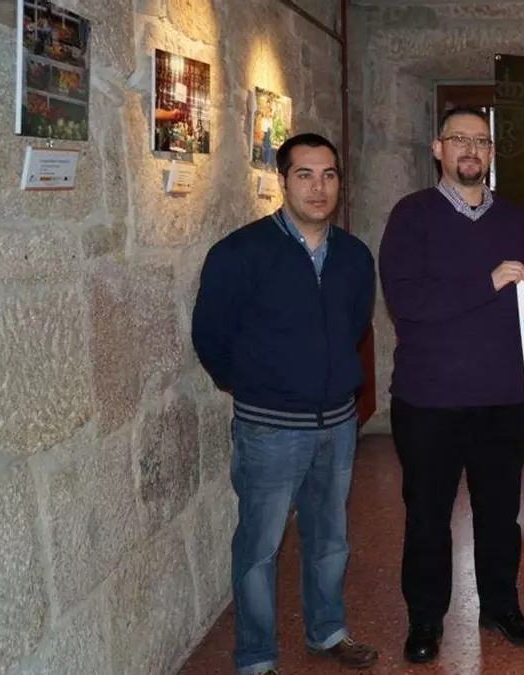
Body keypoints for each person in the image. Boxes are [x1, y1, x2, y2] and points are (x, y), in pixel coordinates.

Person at [191, 132, 379, 675]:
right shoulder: (239, 253)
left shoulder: (354, 256)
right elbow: (211, 337)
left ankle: (327, 632)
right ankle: (255, 658)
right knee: (259, 547)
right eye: (304, 175)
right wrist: (257, 386)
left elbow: (354, 326)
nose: (318, 188)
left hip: (337, 425)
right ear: (282, 181)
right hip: (270, 429)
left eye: (328, 175)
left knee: (330, 539)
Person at [379, 106, 524, 665]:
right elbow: (407, 300)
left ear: (491, 153)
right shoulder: (411, 216)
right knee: (428, 516)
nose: (471, 150)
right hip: (429, 401)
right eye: (459, 139)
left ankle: (500, 607)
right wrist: (488, 281)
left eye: (481, 141)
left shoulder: (516, 222)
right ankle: (425, 618)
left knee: (500, 516)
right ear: (438, 149)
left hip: (504, 400)